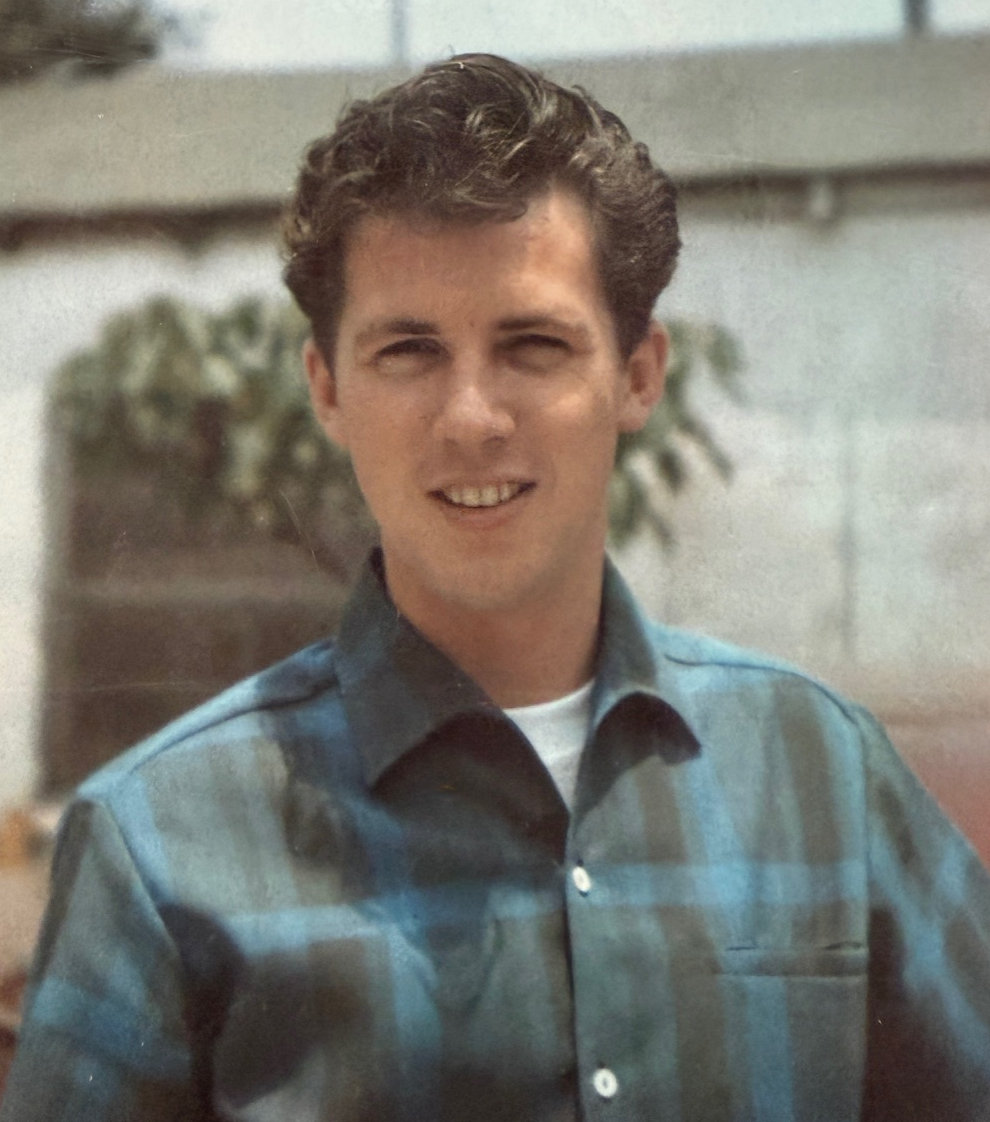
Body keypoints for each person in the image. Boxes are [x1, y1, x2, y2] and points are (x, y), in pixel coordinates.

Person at [3, 53, 990, 1122]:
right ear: (327, 390)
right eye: (409, 351)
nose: (471, 417)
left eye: (533, 345)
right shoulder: (157, 844)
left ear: (638, 376)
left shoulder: (823, 773)